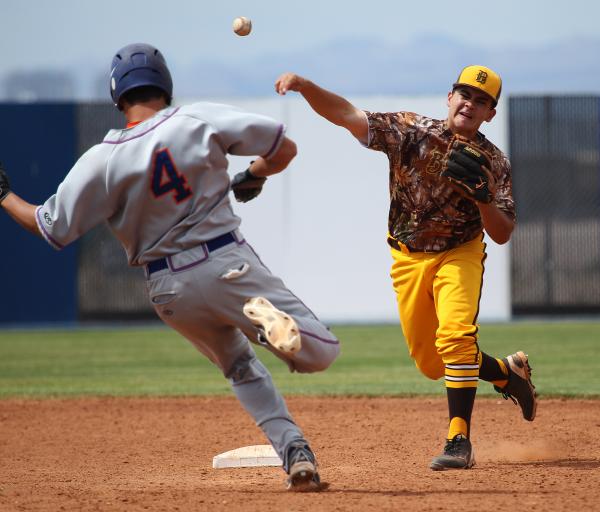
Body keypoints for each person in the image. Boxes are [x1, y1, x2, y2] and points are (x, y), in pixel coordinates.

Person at [0, 43, 341, 491]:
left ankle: (294, 450)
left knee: (239, 367)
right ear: (165, 84)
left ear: (117, 95)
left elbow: (49, 229)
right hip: (225, 263)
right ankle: (269, 323)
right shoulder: (195, 119)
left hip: (167, 291)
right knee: (321, 353)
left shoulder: (102, 160)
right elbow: (284, 148)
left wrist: (4, 195)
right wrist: (253, 173)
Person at [274, 65, 537, 470]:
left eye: (482, 100)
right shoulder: (411, 131)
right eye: (465, 94)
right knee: (433, 364)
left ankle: (458, 440)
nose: (471, 103)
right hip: (408, 257)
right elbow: (347, 115)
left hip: (459, 253)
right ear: (450, 98)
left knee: (455, 337)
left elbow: (501, 233)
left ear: (491, 114)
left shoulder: (493, 162)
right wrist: (306, 86)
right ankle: (506, 373)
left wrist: (484, 199)